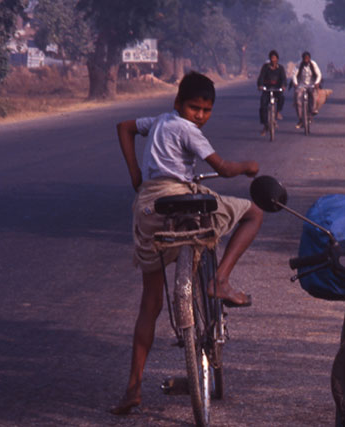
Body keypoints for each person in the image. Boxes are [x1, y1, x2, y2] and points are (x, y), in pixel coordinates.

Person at [111, 71, 263, 415]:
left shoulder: (161, 120)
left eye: (206, 110)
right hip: (182, 198)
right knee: (253, 213)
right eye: (195, 107)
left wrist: (136, 174)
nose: (200, 115)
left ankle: (133, 387)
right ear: (179, 104)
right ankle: (219, 280)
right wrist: (248, 167)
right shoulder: (187, 129)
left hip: (150, 208)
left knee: (150, 303)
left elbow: (124, 126)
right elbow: (222, 169)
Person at [256, 49, 287, 135]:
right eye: (272, 58)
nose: (273, 60)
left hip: (277, 88)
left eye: (275, 58)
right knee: (263, 105)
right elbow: (261, 77)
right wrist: (260, 85)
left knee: (281, 98)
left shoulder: (281, 68)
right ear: (270, 59)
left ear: (277, 59)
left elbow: (284, 79)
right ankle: (265, 124)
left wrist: (283, 86)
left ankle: (278, 112)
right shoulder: (265, 67)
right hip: (267, 88)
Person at [292, 51, 322, 128]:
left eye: (307, 58)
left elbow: (319, 74)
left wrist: (316, 83)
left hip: (311, 84)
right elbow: (294, 75)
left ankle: (312, 110)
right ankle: (300, 118)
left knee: (313, 96)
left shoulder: (313, 64)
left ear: (309, 58)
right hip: (301, 85)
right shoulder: (299, 64)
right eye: (304, 59)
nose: (306, 60)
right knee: (298, 99)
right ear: (302, 59)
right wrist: (295, 83)